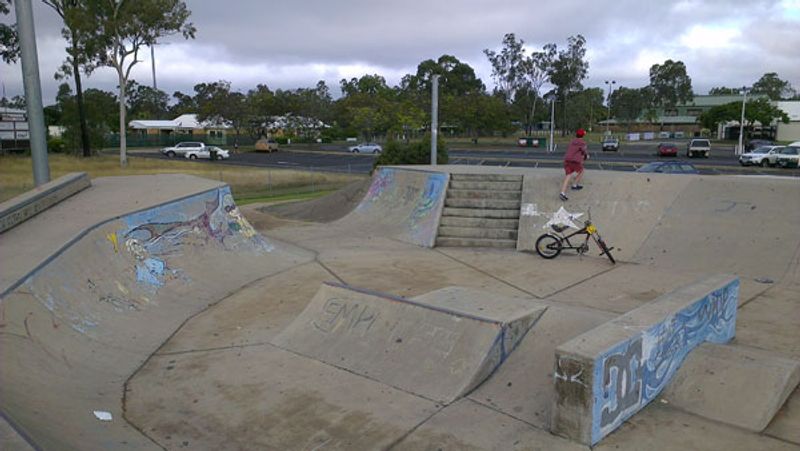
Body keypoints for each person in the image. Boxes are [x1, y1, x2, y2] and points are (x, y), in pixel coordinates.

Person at [559, 128, 589, 201]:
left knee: (568, 175)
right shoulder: (582, 142)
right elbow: (584, 151)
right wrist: (586, 156)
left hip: (567, 160)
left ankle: (562, 192)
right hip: (574, 161)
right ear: (583, 135)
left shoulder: (572, 141)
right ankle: (574, 185)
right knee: (581, 170)